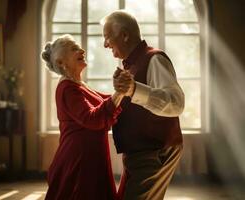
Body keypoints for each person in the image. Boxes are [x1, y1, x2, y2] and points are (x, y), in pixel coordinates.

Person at [102, 10, 185, 200]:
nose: (105, 44)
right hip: (141, 152)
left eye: (107, 37)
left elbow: (176, 103)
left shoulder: (154, 59)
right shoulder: (131, 64)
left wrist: (133, 90)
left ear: (124, 35)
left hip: (154, 151)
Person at [41, 34, 133, 200]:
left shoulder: (77, 85)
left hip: (89, 156)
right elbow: (93, 118)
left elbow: (104, 101)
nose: (82, 50)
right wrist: (120, 91)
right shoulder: (67, 88)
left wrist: (123, 87)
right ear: (62, 62)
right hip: (79, 160)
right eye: (74, 48)